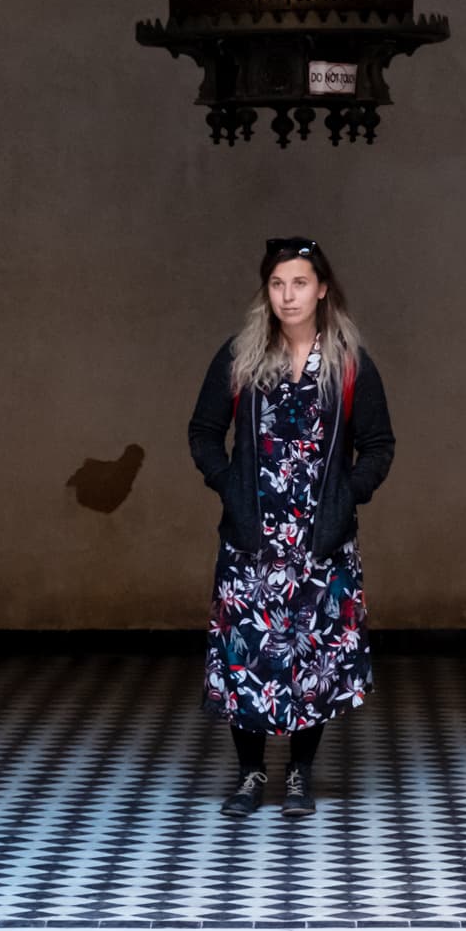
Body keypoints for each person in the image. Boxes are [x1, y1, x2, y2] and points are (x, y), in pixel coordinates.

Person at [186, 236, 394, 819]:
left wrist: (345, 497)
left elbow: (378, 445)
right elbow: (203, 432)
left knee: (315, 663)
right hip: (252, 541)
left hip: (320, 544)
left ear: (322, 288)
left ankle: (300, 775)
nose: (288, 295)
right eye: (277, 284)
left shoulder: (350, 363)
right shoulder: (241, 355)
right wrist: (229, 486)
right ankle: (250, 775)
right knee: (245, 658)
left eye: (299, 283)